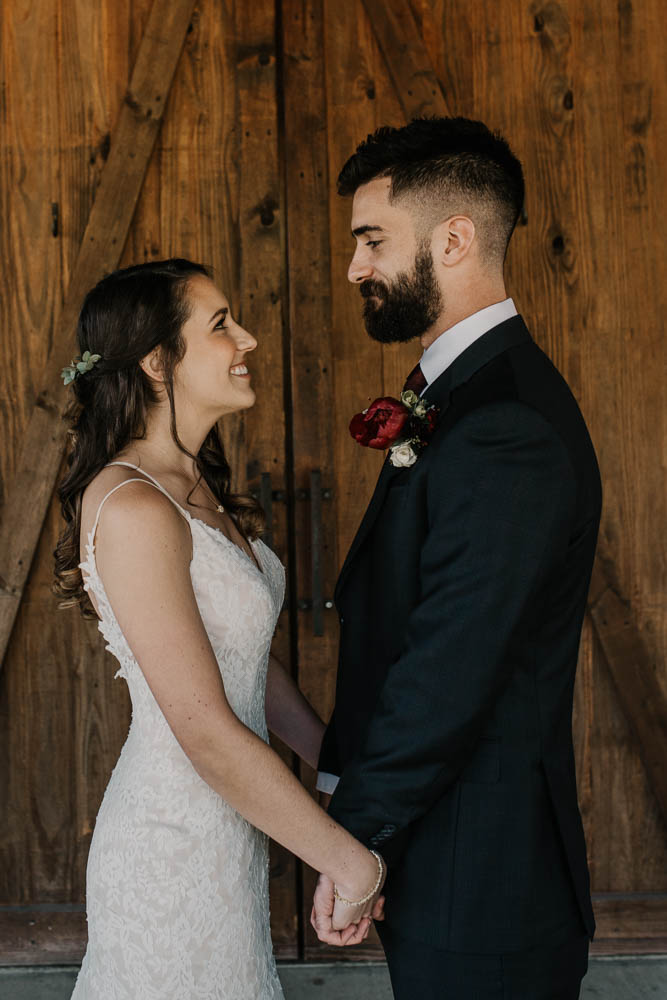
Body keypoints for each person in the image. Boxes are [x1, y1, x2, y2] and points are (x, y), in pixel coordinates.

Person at [311, 118, 601, 999]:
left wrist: (353, 838)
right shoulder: (458, 392)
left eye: (371, 240)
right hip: (453, 862)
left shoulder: (504, 422)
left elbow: (450, 666)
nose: (356, 266)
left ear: (453, 238)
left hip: (484, 880)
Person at [54, 259, 384, 1000]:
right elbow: (202, 729)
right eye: (220, 324)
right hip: (170, 844)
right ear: (155, 362)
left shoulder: (193, 483)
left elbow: (243, 660)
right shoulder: (135, 507)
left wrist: (336, 766)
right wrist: (349, 863)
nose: (250, 339)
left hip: (228, 832)